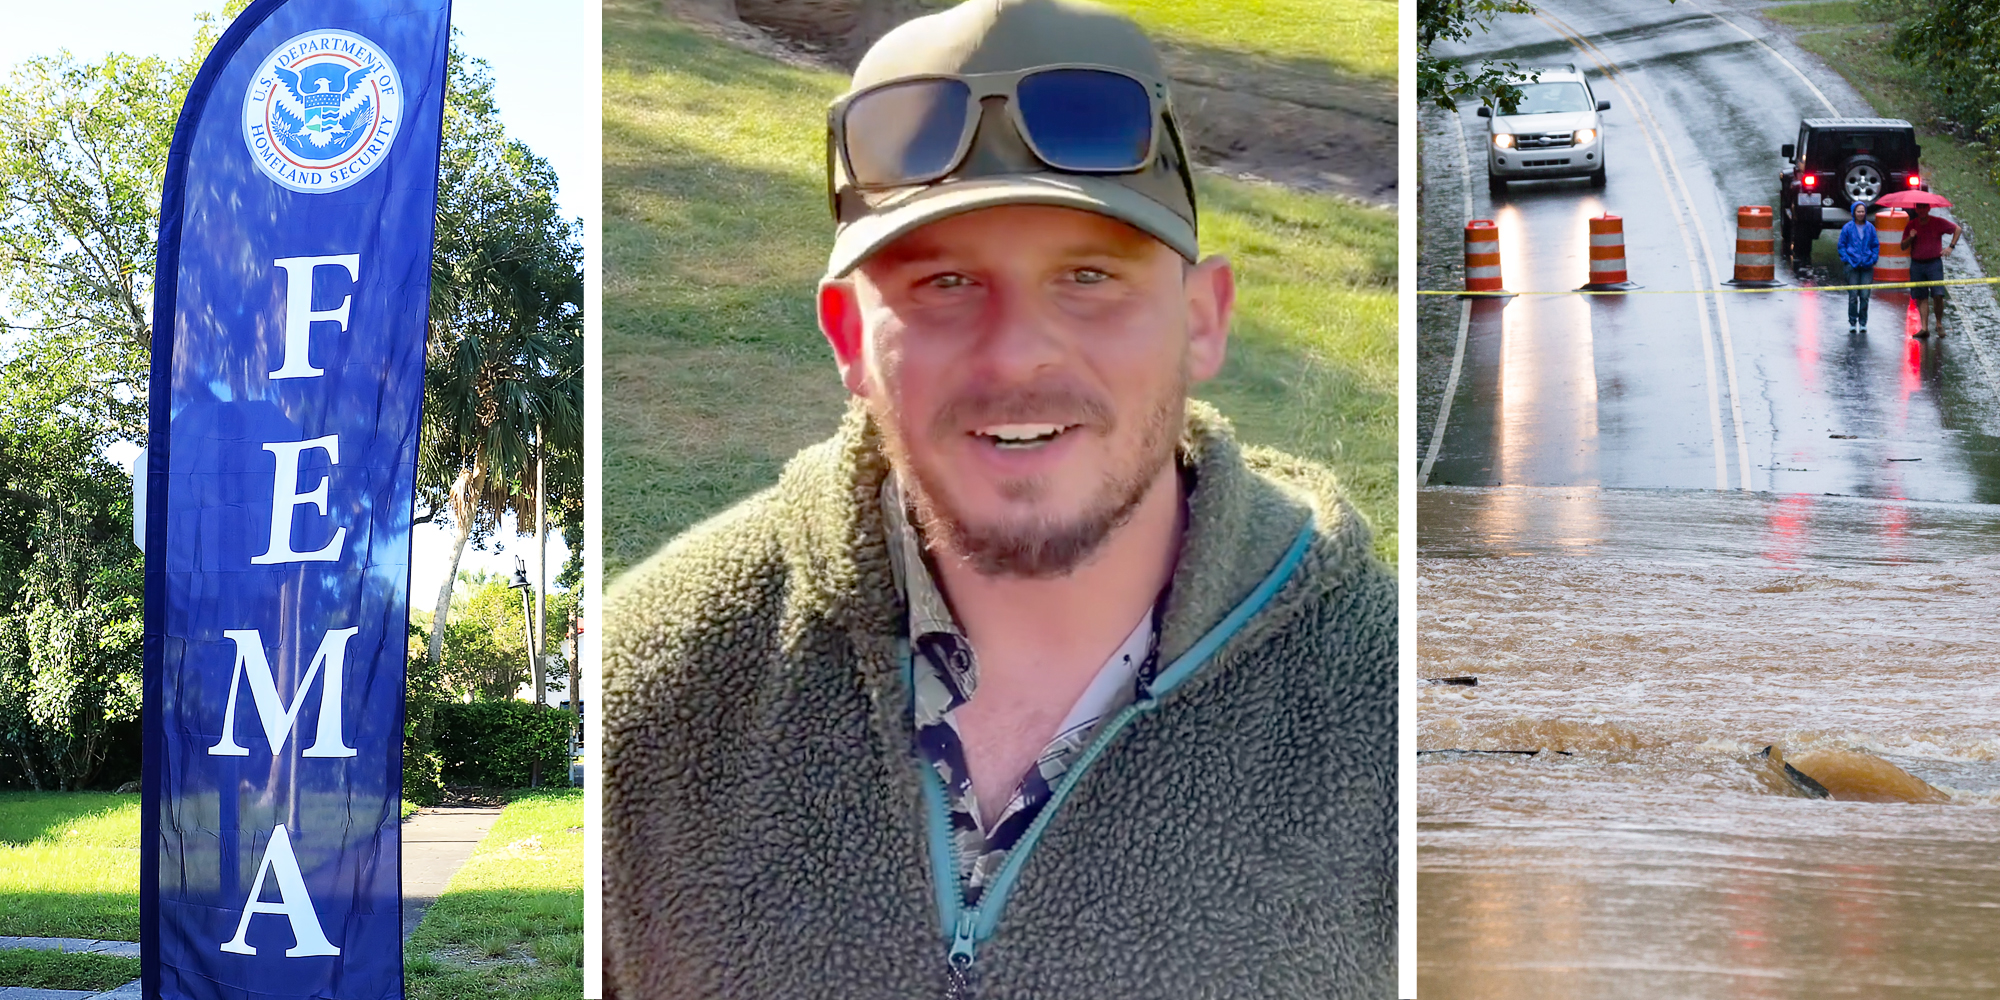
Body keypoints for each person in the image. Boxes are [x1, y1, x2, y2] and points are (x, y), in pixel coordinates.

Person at [600, 0, 1396, 997]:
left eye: (1088, 276)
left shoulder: (1392, 716)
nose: (1016, 350)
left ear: (1202, 319)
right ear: (848, 337)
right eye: (943, 283)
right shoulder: (656, 686)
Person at [1900, 201, 1959, 337]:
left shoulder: (1937, 222)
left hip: (1934, 264)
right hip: (1917, 264)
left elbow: (1957, 229)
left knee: (1938, 295)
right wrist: (1911, 237)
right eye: (1918, 207)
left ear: (1928, 208)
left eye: (1923, 207)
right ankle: (1925, 328)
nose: (1921, 210)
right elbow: (1903, 246)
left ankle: (1938, 323)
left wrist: (1951, 247)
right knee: (1921, 297)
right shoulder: (1911, 225)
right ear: (1915, 208)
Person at [1837, 201, 1878, 332]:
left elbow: (1875, 245)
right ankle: (1852, 321)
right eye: (1858, 211)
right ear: (1854, 212)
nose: (1861, 213)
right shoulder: (1847, 228)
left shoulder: (1870, 228)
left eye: (1863, 211)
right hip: (1852, 266)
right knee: (1853, 295)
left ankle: (1863, 321)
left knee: (1865, 295)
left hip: (1867, 266)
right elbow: (1841, 245)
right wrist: (1847, 259)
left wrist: (1873, 259)